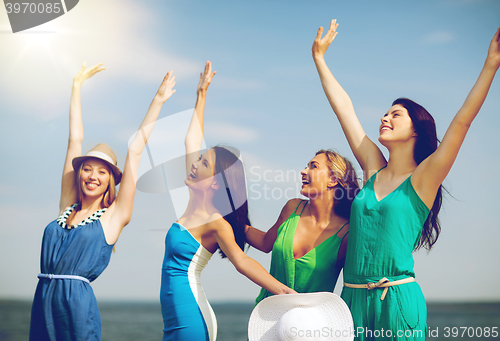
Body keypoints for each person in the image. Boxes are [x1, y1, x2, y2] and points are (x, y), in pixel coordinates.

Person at [312, 20, 500, 340]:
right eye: (385, 113)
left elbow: (462, 121)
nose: (384, 118)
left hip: (397, 301)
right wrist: (319, 58)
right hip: (352, 300)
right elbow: (344, 110)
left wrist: (491, 65)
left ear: (416, 129)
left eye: (395, 114)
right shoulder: (374, 168)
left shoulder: (425, 178)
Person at [29, 62, 176, 341]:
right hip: (44, 301)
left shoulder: (114, 216)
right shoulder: (67, 206)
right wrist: (76, 86)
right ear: (79, 172)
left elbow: (135, 150)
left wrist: (157, 102)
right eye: (87, 168)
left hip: (76, 309)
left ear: (111, 179)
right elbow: (75, 139)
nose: (92, 175)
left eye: (102, 171)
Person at [159, 61, 296, 341]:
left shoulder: (216, 222)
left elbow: (243, 261)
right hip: (173, 319)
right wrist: (201, 95)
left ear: (214, 182)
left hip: (191, 318)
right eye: (199, 159)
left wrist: (283, 291)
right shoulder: (192, 204)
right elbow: (191, 140)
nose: (195, 163)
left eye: (203, 163)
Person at [245, 149, 360, 305]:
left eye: (313, 166)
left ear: (333, 179)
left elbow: (354, 283)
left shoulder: (347, 234)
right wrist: (231, 221)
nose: (303, 171)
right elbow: (265, 243)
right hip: (268, 314)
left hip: (312, 322)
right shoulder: (292, 208)